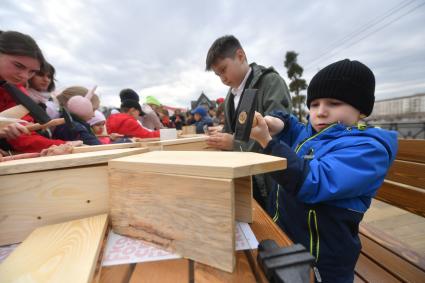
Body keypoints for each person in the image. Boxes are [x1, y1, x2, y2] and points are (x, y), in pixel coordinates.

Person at [249, 59, 398, 282]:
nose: (320, 112)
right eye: (314, 104)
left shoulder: (368, 150)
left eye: (334, 103)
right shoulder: (313, 132)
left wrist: (269, 143)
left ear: (361, 110)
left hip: (321, 261)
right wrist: (278, 123)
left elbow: (313, 181)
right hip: (285, 239)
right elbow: (296, 128)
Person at [205, 35, 292, 207]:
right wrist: (223, 134)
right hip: (245, 178)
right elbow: (236, 131)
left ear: (240, 55)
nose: (222, 78)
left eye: (223, 69)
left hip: (270, 180)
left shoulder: (270, 82)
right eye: (217, 75)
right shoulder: (231, 95)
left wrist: (235, 143)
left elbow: (278, 130)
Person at [0, 30, 71, 153]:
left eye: (32, 71)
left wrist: (63, 145)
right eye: (18, 65)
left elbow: (24, 135)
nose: (24, 76)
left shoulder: (15, 91)